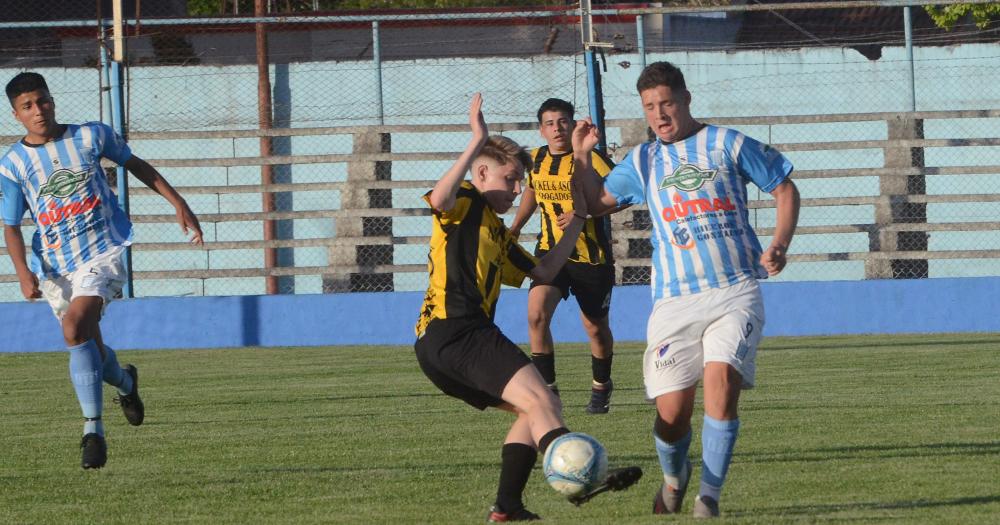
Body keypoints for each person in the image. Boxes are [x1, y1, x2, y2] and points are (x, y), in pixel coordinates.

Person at [570, 62, 800, 518]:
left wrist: (779, 243)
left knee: (721, 381)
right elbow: (592, 204)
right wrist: (580, 157)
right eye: (650, 107)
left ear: (686, 98)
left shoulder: (727, 143)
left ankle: (708, 498)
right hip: (675, 301)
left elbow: (784, 187)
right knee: (672, 414)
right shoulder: (643, 161)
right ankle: (674, 481)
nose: (659, 114)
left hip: (734, 291)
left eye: (666, 103)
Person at [414, 93, 640, 522]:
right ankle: (583, 475)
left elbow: (546, 269)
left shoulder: (497, 234)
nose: (519, 189)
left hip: (438, 347)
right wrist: (477, 138)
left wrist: (577, 220)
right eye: (511, 178)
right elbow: (440, 199)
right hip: (459, 331)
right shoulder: (465, 200)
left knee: (537, 408)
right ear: (482, 173)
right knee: (542, 402)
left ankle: (508, 506)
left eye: (522, 181)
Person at [0, 72, 204, 469]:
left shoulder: (92, 136)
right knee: (89, 345)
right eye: (27, 106)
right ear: (16, 114)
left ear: (52, 100)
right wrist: (22, 271)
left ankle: (93, 431)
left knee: (74, 327)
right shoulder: (12, 165)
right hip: (56, 266)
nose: (38, 110)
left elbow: (137, 165)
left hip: (103, 251)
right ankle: (126, 382)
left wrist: (178, 203)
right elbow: (10, 225)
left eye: (42, 101)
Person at [508, 98, 623, 414]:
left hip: (591, 258)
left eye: (562, 121)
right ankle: (547, 394)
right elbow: (532, 189)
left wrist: (583, 212)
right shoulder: (535, 159)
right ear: (541, 130)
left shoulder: (591, 159)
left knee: (595, 329)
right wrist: (516, 226)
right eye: (549, 123)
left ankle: (601, 386)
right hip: (549, 254)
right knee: (536, 316)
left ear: (573, 125)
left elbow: (623, 195)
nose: (557, 128)